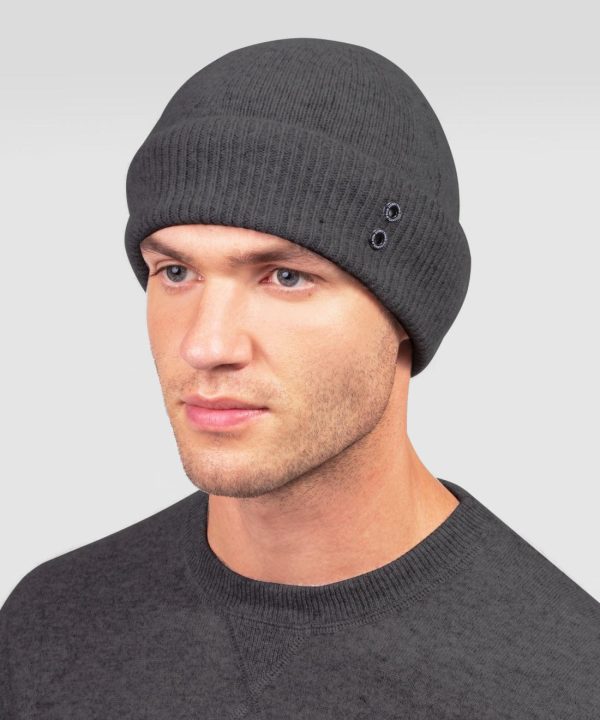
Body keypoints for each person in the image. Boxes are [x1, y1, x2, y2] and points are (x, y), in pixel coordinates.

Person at [1, 37, 598, 718]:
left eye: (285, 277)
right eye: (177, 272)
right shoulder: (47, 627)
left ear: (406, 312)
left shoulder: (568, 684)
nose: (206, 344)